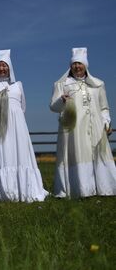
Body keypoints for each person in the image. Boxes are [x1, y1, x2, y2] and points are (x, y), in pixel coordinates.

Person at [0, 49, 47, 202]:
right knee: (2, 153)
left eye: (4, 65)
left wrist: (16, 120)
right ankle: (4, 191)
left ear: (10, 68)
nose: (1, 68)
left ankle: (24, 189)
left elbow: (22, 107)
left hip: (17, 126)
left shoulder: (18, 85)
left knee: (19, 152)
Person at [50, 47, 116, 198]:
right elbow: (53, 107)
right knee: (79, 154)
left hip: (96, 127)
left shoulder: (98, 84)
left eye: (80, 64)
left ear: (86, 65)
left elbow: (104, 107)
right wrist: (62, 100)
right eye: (74, 64)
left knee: (99, 154)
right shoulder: (62, 84)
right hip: (74, 129)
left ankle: (105, 188)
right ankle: (81, 189)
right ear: (70, 66)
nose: (77, 67)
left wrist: (106, 122)